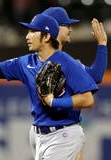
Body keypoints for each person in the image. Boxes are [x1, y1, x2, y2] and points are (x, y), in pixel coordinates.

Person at [0, 13, 98, 159]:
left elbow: (88, 99)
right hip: (38, 135)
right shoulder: (25, 62)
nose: (27, 36)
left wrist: (53, 102)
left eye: (33, 32)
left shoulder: (67, 63)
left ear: (46, 37)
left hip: (64, 134)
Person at [27, 7, 108, 159]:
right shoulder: (43, 61)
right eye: (67, 25)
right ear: (54, 27)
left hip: (61, 131)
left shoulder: (66, 61)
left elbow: (95, 77)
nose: (71, 29)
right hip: (54, 132)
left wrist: (102, 45)